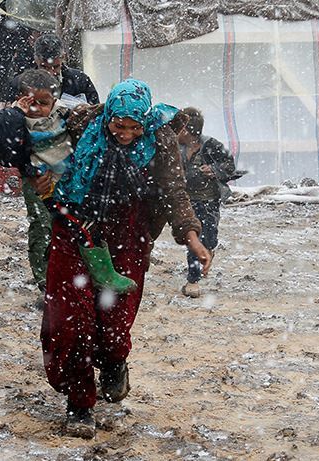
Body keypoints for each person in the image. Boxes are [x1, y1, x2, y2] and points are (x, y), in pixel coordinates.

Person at [42, 79, 212, 438]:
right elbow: (35, 148)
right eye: (118, 126)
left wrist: (192, 237)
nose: (125, 134)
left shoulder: (159, 138)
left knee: (115, 321)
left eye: (134, 128)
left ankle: (115, 362)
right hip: (75, 225)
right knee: (73, 321)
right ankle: (80, 404)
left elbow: (173, 192)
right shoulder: (81, 125)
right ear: (107, 118)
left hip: (127, 233)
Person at [0, 69, 135, 308]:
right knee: (46, 229)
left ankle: (82, 281)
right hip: (42, 184)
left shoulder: (65, 114)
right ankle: (49, 285)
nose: (36, 109)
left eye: (43, 103)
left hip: (72, 182)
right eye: (30, 103)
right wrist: (14, 113)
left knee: (77, 231)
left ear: (54, 100)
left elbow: (91, 118)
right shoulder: (15, 119)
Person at [176, 107, 236, 298]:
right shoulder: (176, 148)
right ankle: (192, 280)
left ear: (188, 131)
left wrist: (214, 170)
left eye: (180, 128)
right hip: (186, 201)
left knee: (209, 238)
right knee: (193, 239)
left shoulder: (211, 146)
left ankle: (208, 251)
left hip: (209, 201)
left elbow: (230, 166)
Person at [9, 33, 99, 107]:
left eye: (55, 67)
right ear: (36, 59)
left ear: (63, 57)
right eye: (44, 67)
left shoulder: (80, 80)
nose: (50, 73)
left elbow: (95, 114)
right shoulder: (20, 83)